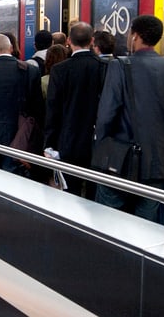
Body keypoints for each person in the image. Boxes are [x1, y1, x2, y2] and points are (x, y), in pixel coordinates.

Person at [95, 15, 164, 223]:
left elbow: (106, 115)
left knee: (109, 223)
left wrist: (101, 147)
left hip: (120, 160)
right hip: (158, 165)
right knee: (147, 229)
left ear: (134, 36)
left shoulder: (120, 66)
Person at [44, 22, 106, 198]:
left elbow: (53, 110)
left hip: (67, 141)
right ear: (92, 41)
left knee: (70, 192)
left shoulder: (60, 70)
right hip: (97, 143)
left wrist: (49, 144)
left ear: (69, 41)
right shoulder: (104, 66)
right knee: (94, 193)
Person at [0, 34, 43, 172]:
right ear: (11, 48)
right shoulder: (30, 70)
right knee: (13, 175)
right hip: (19, 133)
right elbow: (37, 105)